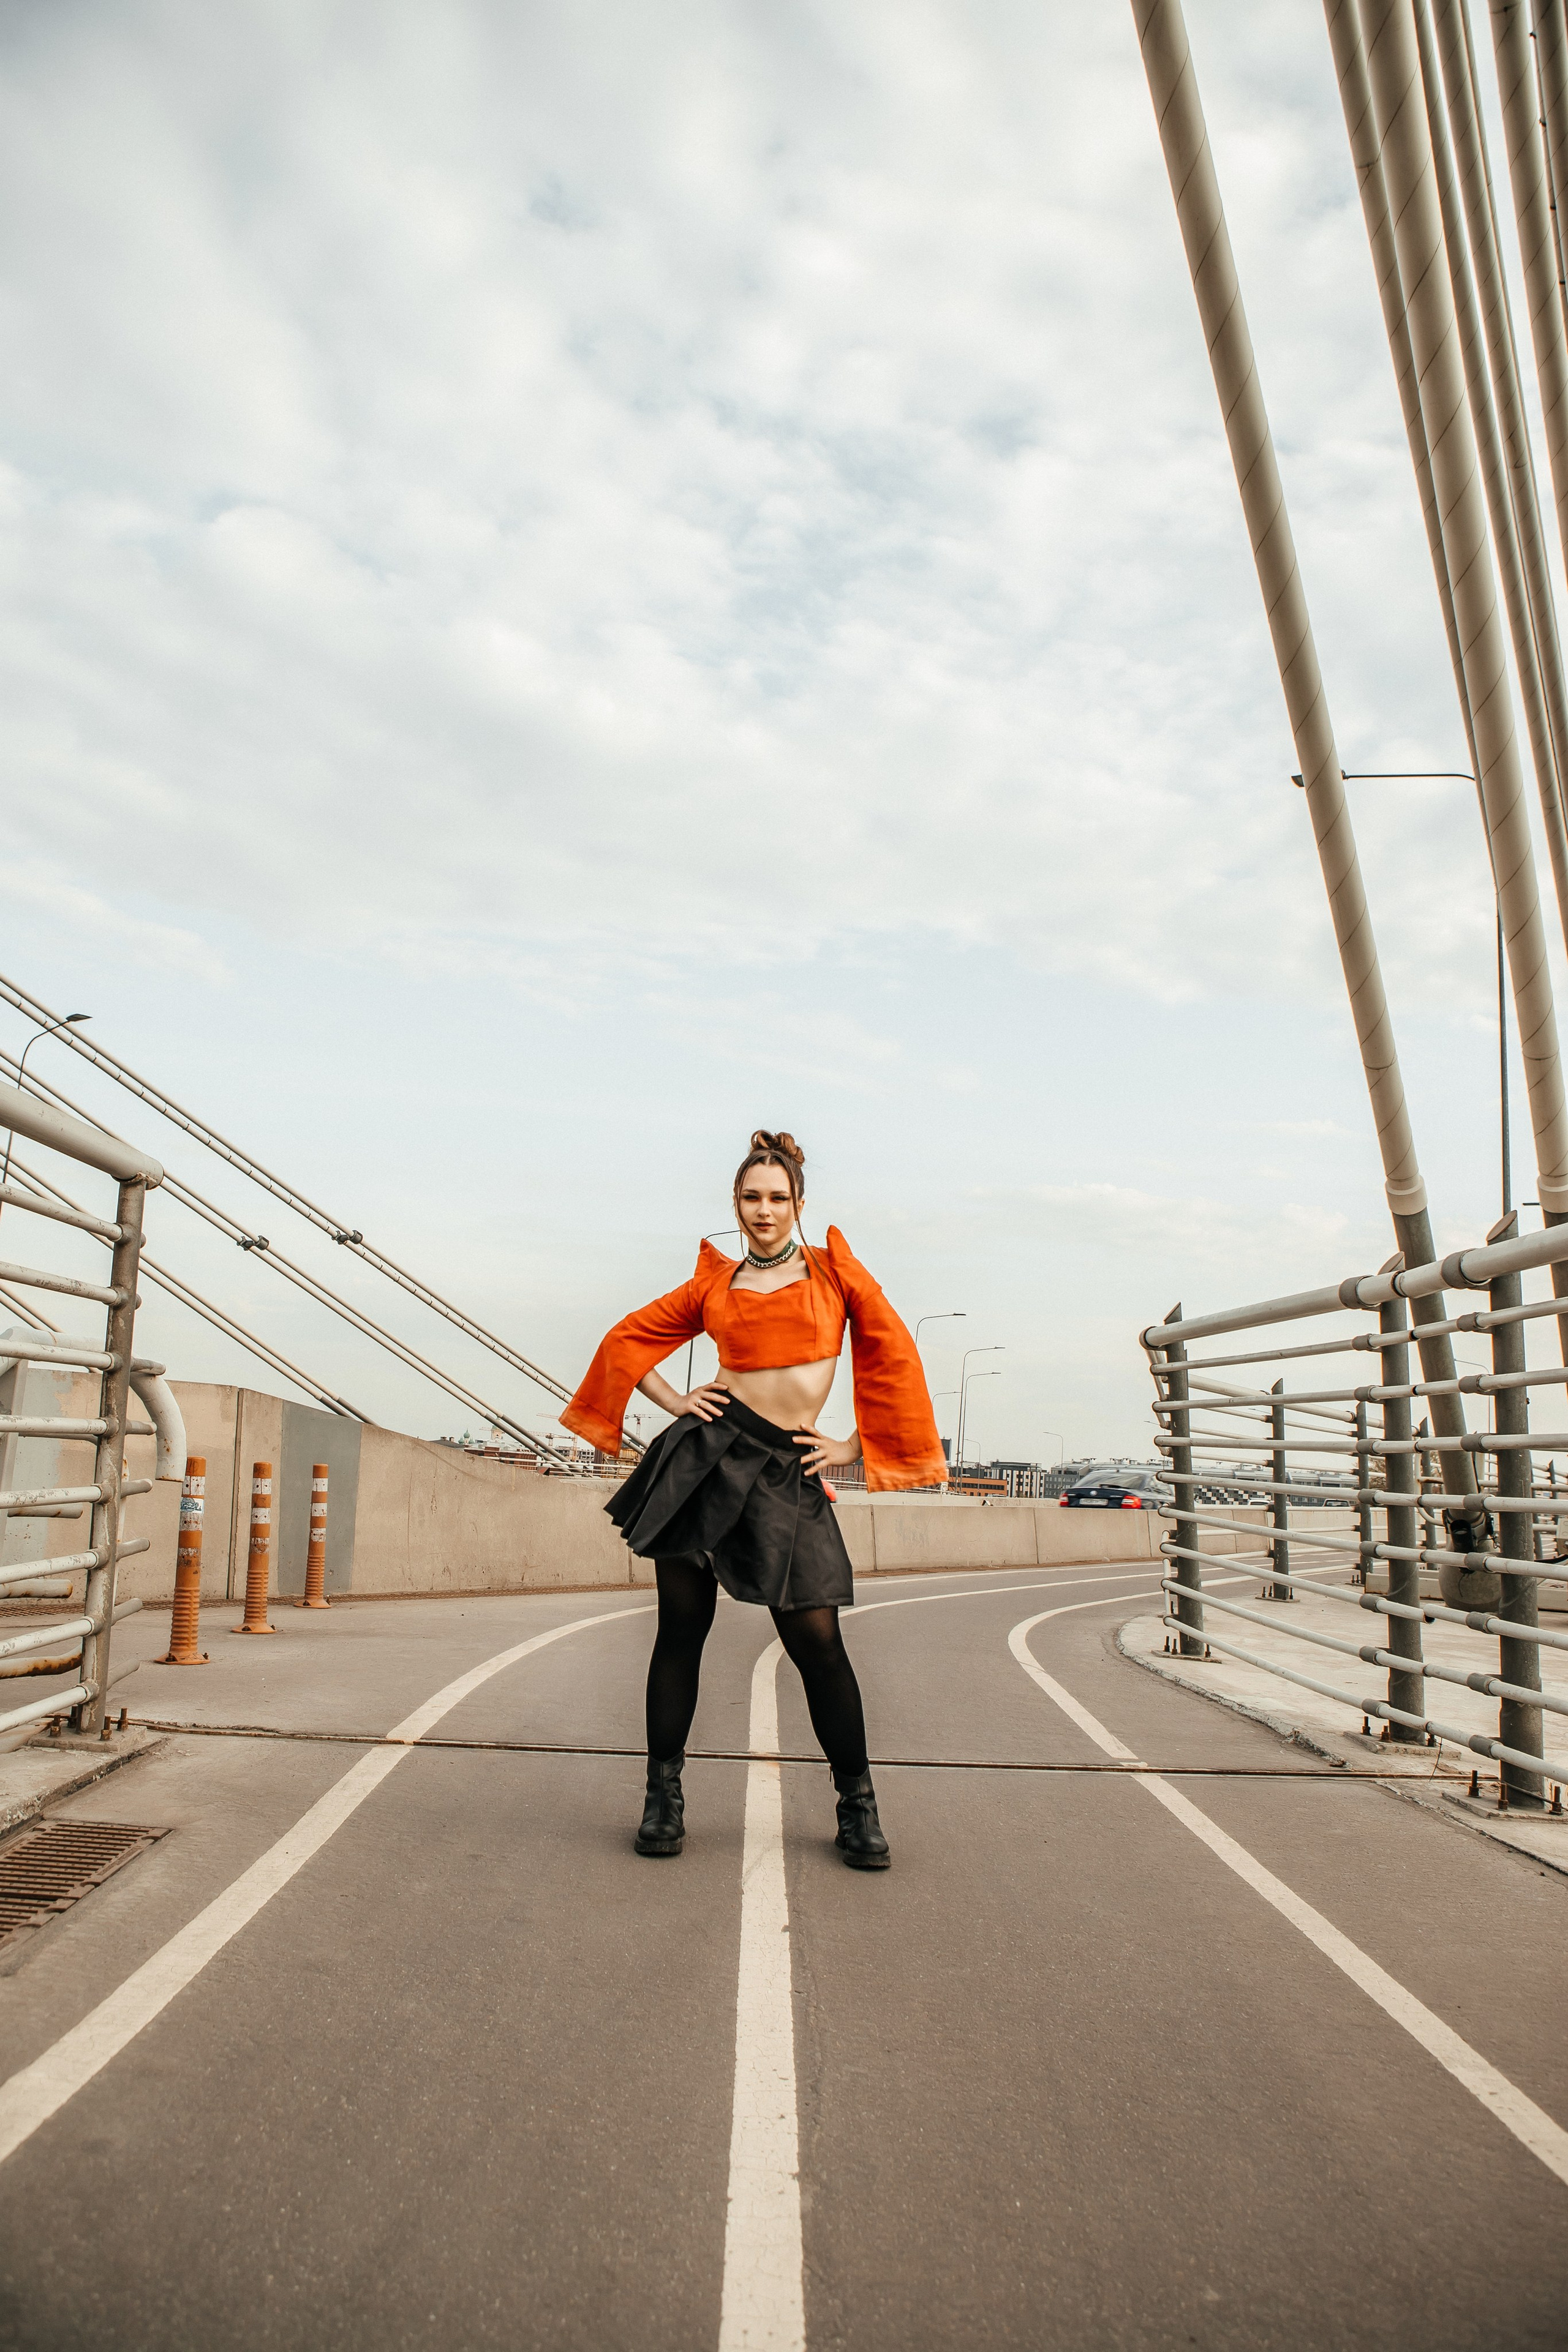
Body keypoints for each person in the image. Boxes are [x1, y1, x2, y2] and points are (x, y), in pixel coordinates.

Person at [562, 1130, 946, 1869]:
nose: (762, 1210)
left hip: (786, 1473)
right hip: (702, 1463)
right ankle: (662, 1799)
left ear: (799, 1204)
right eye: (750, 1197)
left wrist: (853, 1446)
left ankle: (857, 1805)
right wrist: (677, 1400)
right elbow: (623, 1342)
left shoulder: (836, 1277)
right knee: (681, 1631)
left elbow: (896, 1360)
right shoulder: (712, 1284)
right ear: (734, 1205)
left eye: (776, 1198)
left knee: (818, 1645)